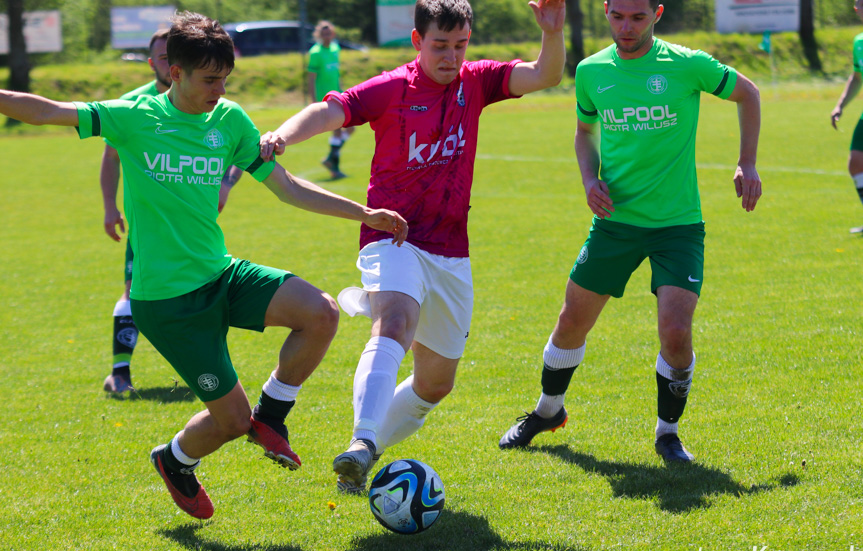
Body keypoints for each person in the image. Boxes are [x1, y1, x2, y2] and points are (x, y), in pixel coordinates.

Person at [0, 11, 407, 520]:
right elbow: (45, 110)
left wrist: (363, 212)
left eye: (225, 79)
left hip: (220, 273)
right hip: (167, 302)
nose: (219, 90)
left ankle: (273, 416)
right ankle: (175, 460)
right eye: (209, 79)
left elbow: (286, 186)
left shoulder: (229, 120)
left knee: (321, 312)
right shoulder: (134, 116)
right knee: (230, 421)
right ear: (176, 72)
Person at [260, 0, 566, 492]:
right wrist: (282, 136)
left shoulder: (477, 80)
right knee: (395, 321)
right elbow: (330, 109)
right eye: (440, 46)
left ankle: (368, 452)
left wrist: (552, 33)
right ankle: (361, 441)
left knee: (434, 385)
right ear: (417, 41)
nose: (451, 56)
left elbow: (543, 75)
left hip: (450, 250)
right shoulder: (392, 88)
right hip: (392, 234)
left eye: (460, 45)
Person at [498, 0, 762, 462]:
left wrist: (747, 162)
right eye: (618, 16)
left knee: (676, 331)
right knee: (570, 322)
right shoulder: (591, 71)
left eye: (638, 18)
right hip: (615, 223)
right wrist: (588, 179)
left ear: (657, 13)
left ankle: (667, 433)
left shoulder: (687, 65)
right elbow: (584, 132)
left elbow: (749, 93)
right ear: (605, 11)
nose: (626, 27)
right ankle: (546, 411)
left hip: (677, 225)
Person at [101, 28, 245, 395]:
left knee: (206, 291)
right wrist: (109, 206)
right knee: (132, 289)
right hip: (151, 228)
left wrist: (224, 185)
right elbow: (111, 158)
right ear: (157, 64)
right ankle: (120, 371)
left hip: (198, 231)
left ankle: (208, 372)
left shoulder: (214, 105)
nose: (170, 62)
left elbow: (244, 148)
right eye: (163, 57)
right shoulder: (134, 106)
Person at [830, 0, 863, 234]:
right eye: (860, 4)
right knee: (855, 162)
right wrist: (840, 105)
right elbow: (857, 76)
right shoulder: (859, 42)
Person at [307, 20, 355, 180]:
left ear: (333, 34)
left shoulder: (335, 48)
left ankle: (330, 159)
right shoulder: (315, 52)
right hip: (325, 97)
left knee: (350, 128)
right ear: (319, 35)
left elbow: (336, 74)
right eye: (324, 33)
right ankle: (334, 168)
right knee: (338, 128)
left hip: (338, 94)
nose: (327, 36)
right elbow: (311, 78)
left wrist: (342, 91)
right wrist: (314, 100)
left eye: (329, 33)